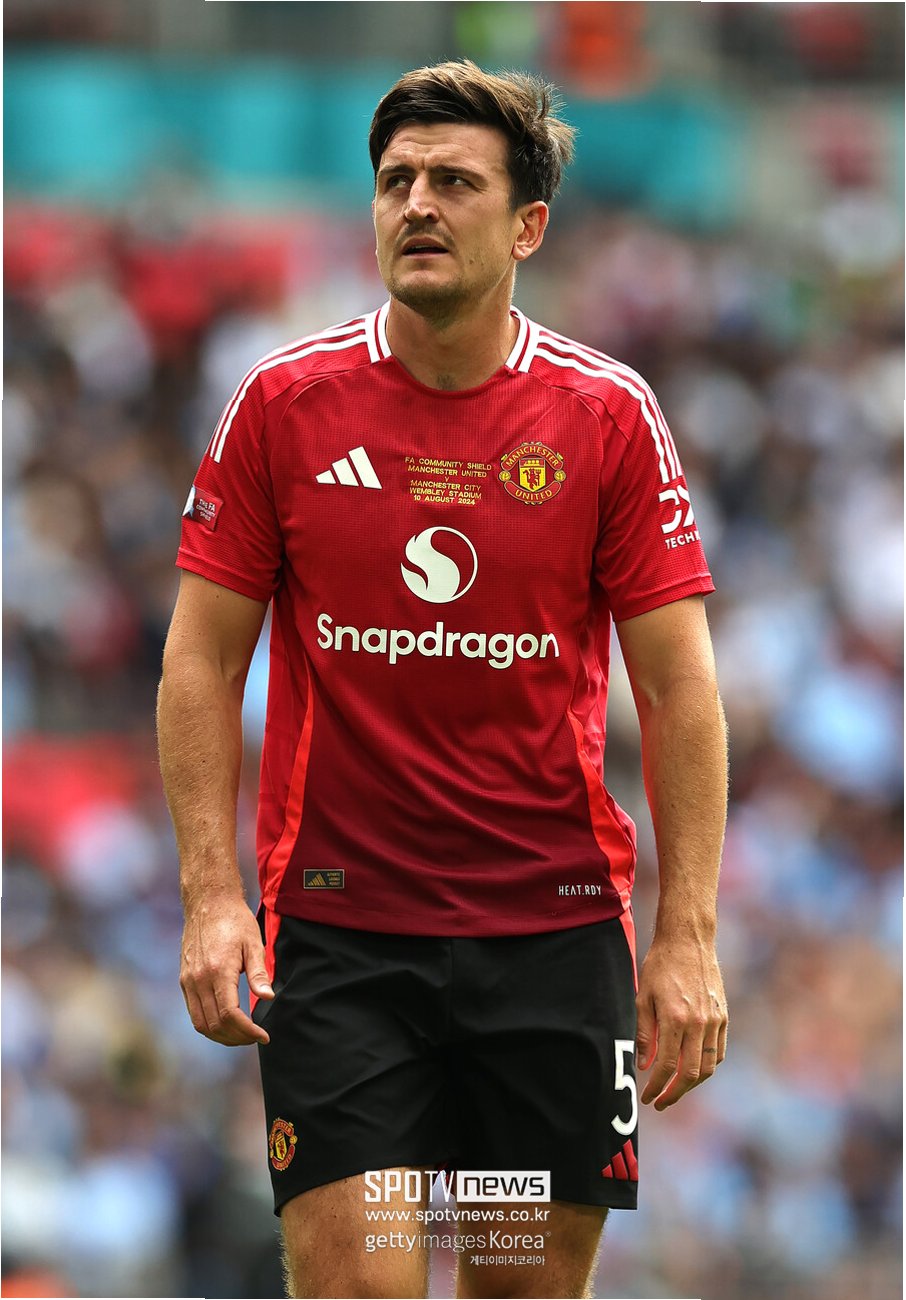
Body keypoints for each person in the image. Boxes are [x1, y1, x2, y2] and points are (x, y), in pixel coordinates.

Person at [157, 59, 729, 1300]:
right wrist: (210, 896)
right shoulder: (284, 406)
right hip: (345, 942)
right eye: (396, 181)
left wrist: (686, 936)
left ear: (527, 226)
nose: (416, 203)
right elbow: (201, 657)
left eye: (455, 182)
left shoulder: (606, 417)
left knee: (514, 1288)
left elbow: (681, 691)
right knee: (365, 1286)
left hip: (550, 940)